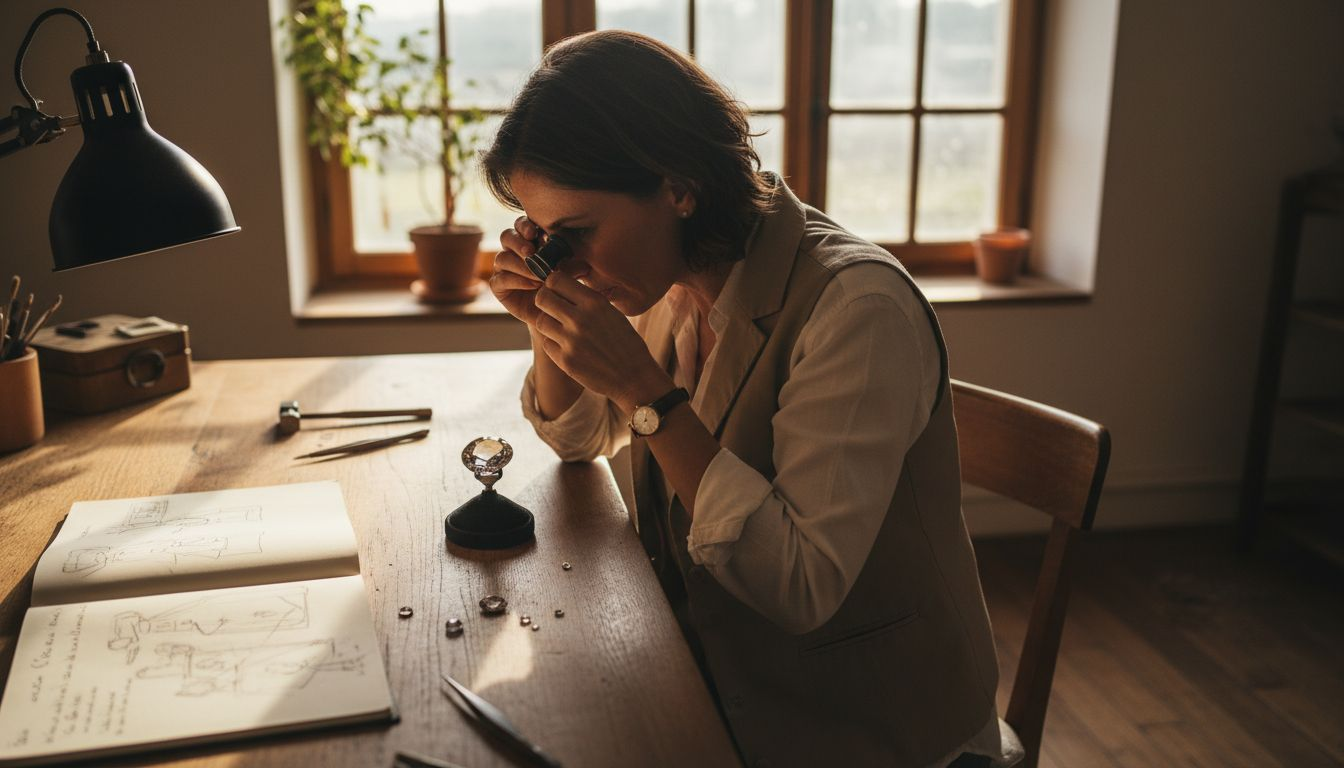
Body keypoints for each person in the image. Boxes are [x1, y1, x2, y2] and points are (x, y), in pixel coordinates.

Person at [481, 30, 1022, 768]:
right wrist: (549, 312)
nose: (563, 260)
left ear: (676, 185)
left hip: (874, 732)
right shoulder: (663, 277)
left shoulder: (858, 308)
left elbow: (800, 586)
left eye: (575, 234)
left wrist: (647, 392)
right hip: (722, 684)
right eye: (545, 240)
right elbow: (580, 442)